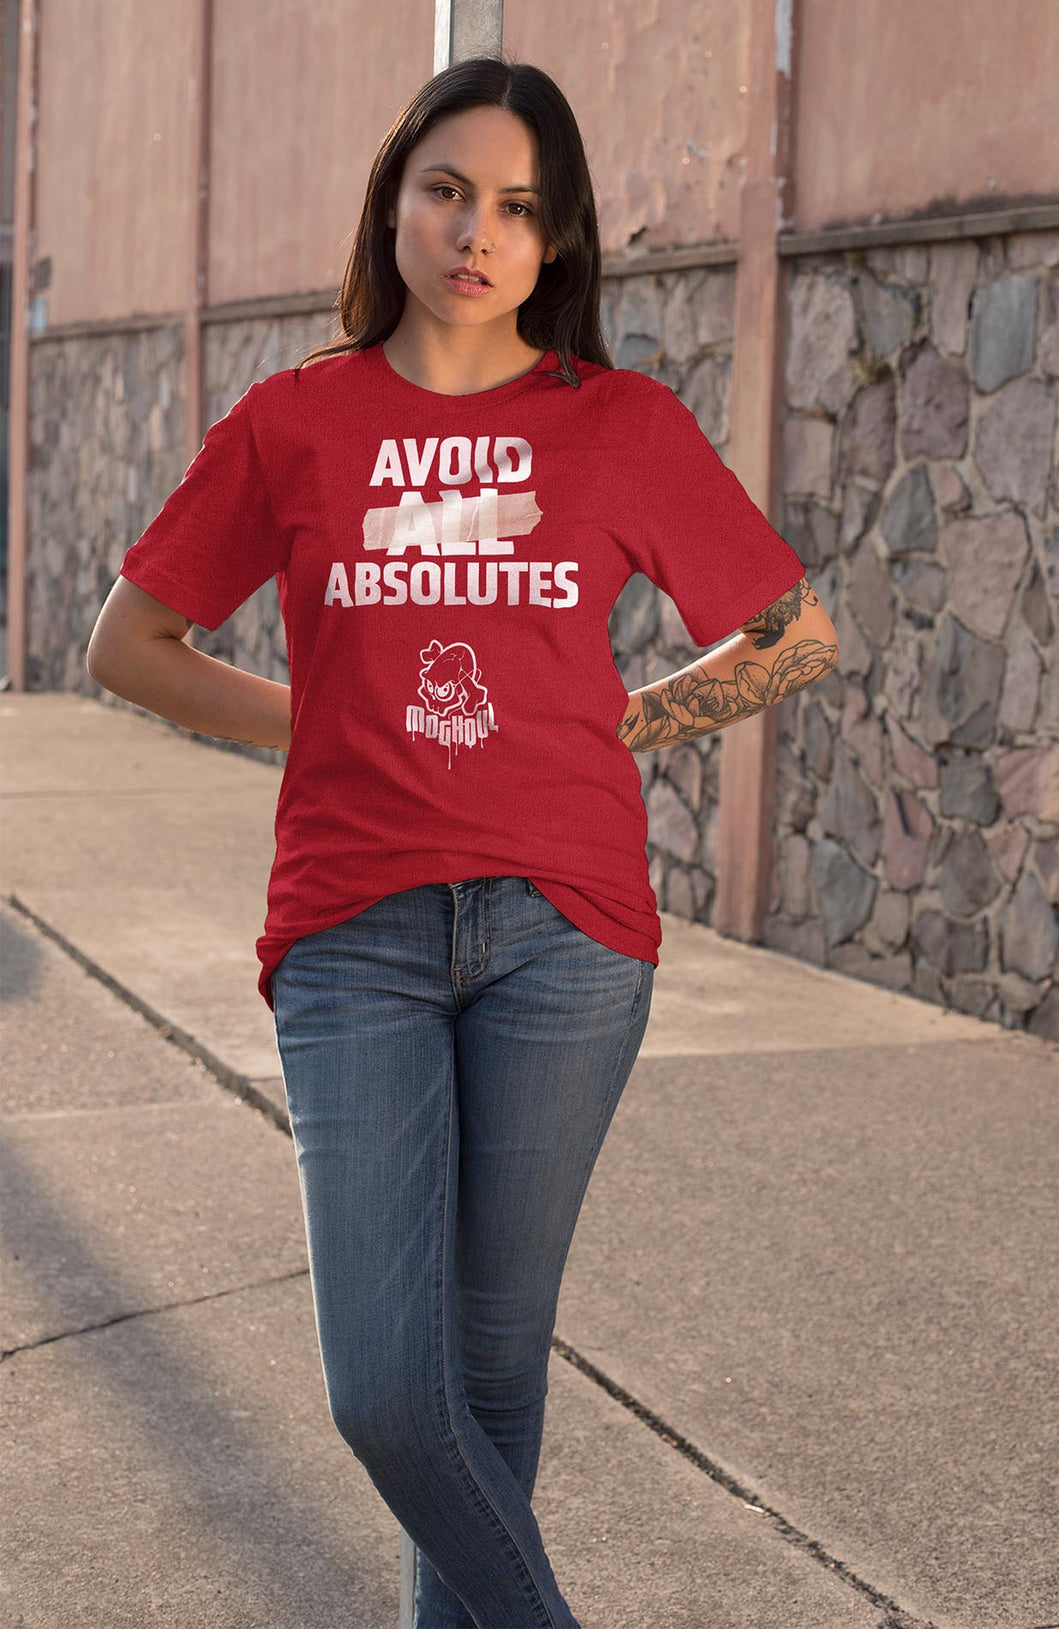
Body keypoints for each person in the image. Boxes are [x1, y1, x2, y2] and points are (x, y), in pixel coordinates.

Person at [87, 54, 839, 1629]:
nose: (477, 232)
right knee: (384, 1386)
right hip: (353, 932)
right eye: (447, 191)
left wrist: (618, 727)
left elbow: (792, 635)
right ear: (395, 203)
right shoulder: (297, 421)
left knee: (491, 1377)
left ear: (556, 239)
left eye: (517, 206)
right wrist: (327, 723)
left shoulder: (615, 424)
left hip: (566, 936)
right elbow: (132, 642)